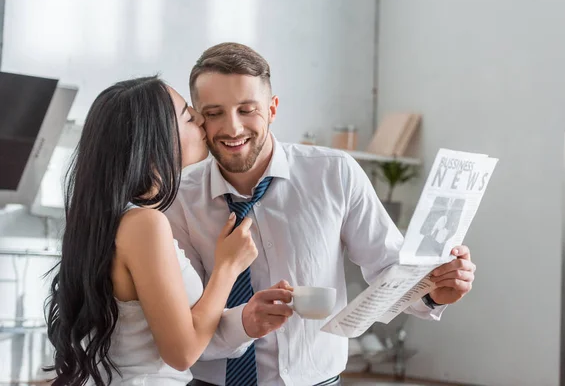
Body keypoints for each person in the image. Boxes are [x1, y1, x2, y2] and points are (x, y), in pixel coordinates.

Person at [165, 43, 476, 386]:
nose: (233, 128)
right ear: (197, 119)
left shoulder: (335, 174)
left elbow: (388, 267)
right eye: (214, 113)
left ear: (272, 109)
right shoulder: (179, 198)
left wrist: (434, 291)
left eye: (246, 109)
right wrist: (243, 322)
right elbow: (180, 323)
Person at [45, 76, 267, 386]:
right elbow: (182, 352)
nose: (201, 119)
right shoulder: (144, 225)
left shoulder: (111, 219)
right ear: (157, 139)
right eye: (189, 117)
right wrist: (227, 267)